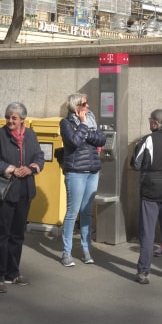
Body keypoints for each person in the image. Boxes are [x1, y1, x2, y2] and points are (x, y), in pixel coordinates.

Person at [0, 101, 45, 293]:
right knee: (1, 234)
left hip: (24, 192)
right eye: (8, 116)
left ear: (22, 120)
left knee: (17, 234)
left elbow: (39, 156)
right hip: (4, 193)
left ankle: (13, 272)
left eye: (14, 118)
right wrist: (10, 169)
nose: (10, 120)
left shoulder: (30, 135)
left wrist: (31, 168)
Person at [131, 109, 162, 284]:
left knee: (147, 232)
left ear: (155, 123)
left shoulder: (148, 140)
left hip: (150, 189)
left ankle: (144, 272)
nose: (149, 123)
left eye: (150, 120)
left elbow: (136, 164)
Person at [59, 92, 106, 267]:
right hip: (76, 171)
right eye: (84, 104)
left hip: (92, 170)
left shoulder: (92, 118)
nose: (88, 106)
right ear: (76, 106)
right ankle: (66, 252)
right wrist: (84, 127)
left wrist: (85, 132)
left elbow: (102, 139)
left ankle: (86, 250)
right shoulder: (66, 123)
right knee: (72, 213)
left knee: (86, 212)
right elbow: (74, 142)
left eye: (87, 103)